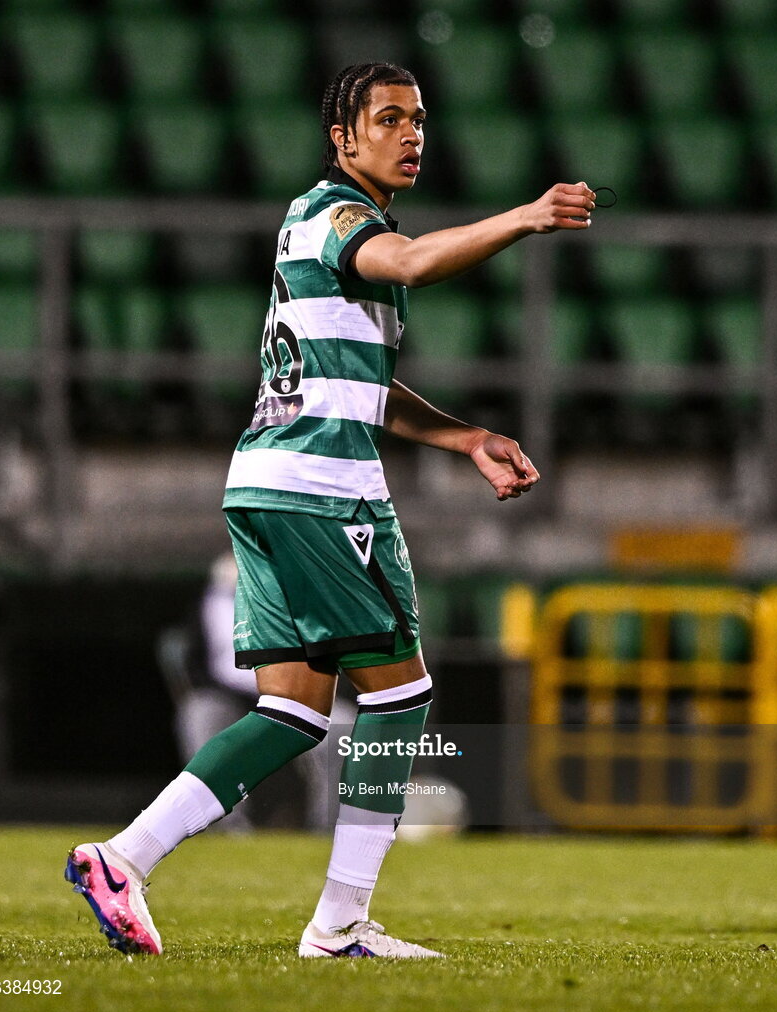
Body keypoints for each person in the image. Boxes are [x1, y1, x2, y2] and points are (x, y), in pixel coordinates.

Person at [64, 61, 596, 959]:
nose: (412, 134)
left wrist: (464, 437)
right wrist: (524, 215)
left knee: (294, 712)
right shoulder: (336, 217)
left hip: (267, 488)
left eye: (420, 119)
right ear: (342, 138)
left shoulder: (330, 234)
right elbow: (419, 261)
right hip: (323, 494)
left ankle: (124, 857)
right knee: (403, 695)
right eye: (389, 119)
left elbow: (363, 387)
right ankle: (340, 922)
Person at [162, 551, 356, 831]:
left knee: (342, 726)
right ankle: (228, 829)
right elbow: (198, 665)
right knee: (199, 715)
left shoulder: (307, 597)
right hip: (230, 699)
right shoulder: (209, 601)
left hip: (300, 696)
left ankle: (328, 828)